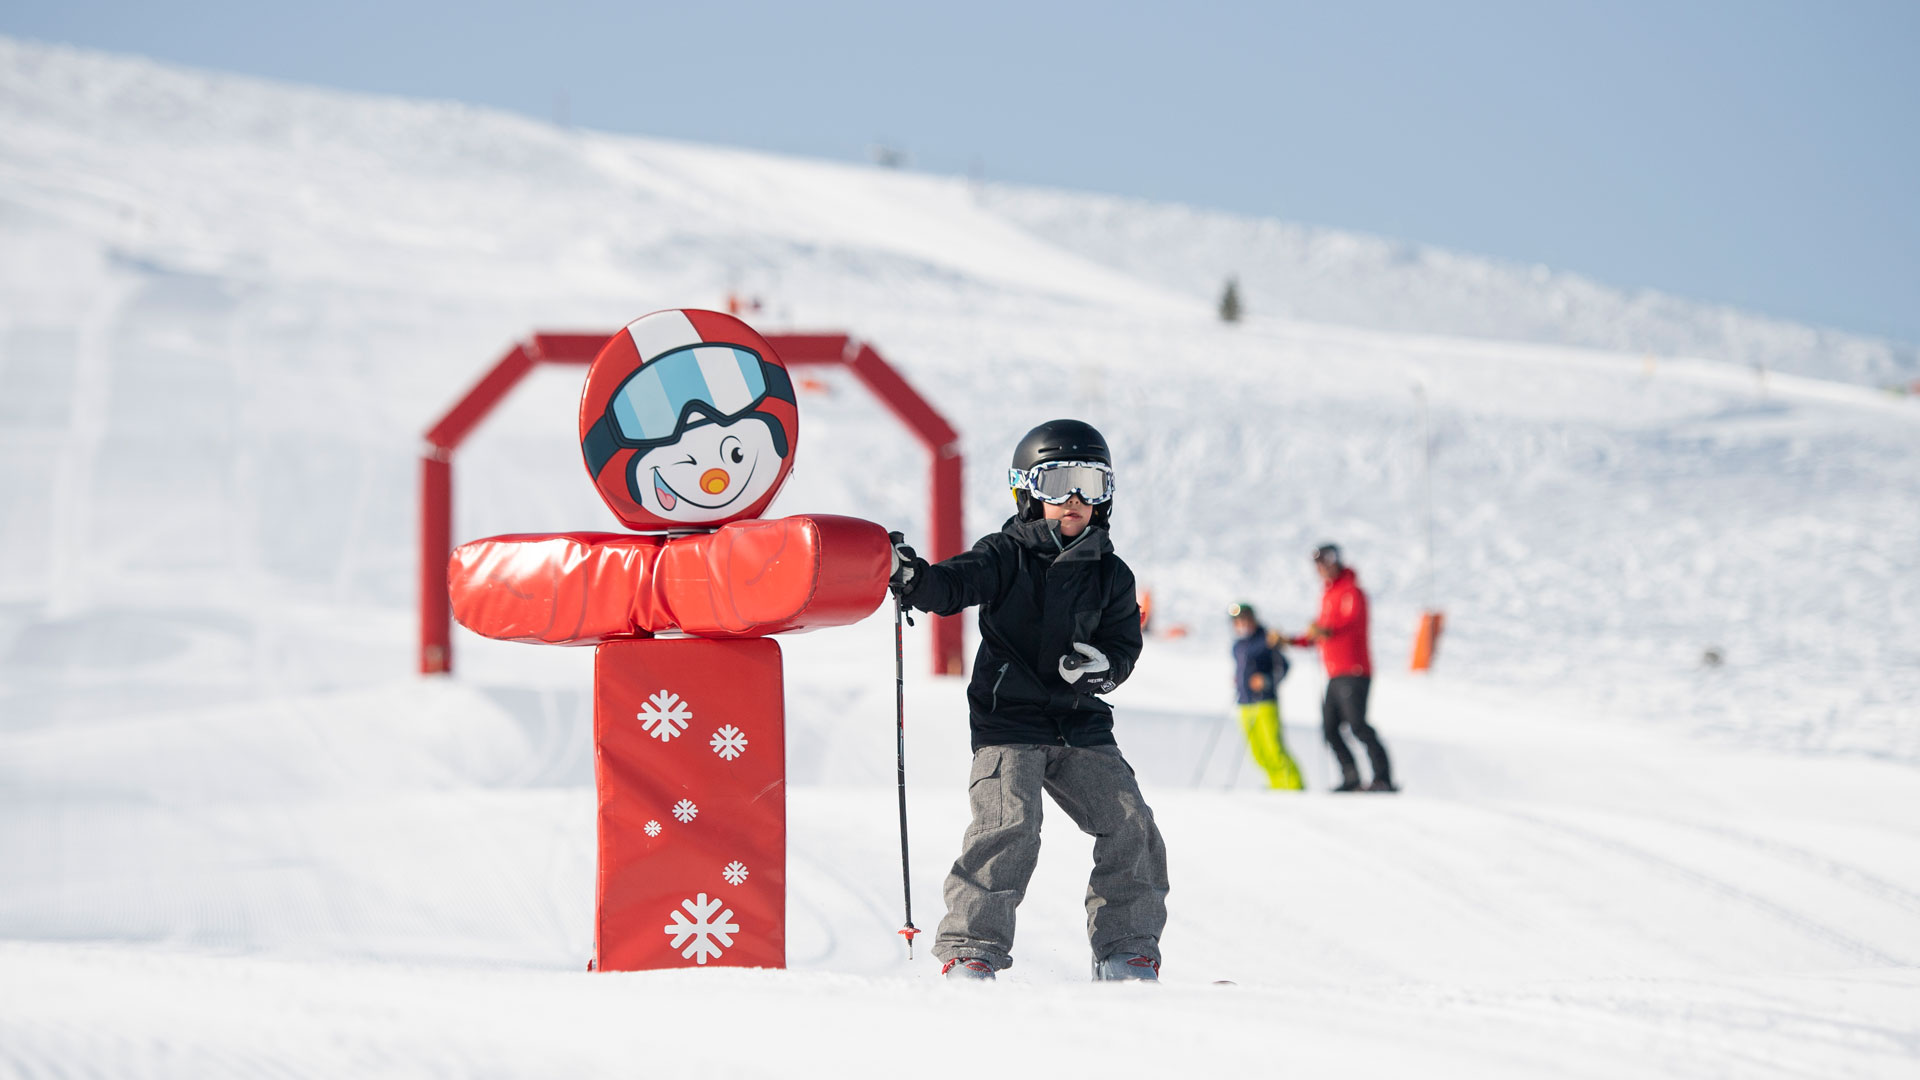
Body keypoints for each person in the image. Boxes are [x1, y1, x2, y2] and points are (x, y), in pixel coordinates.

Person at [888, 419, 1168, 982]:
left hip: (1081, 724)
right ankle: (972, 949)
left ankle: (1125, 950)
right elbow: (955, 584)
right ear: (1028, 490)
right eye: (1060, 480)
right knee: (1010, 824)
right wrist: (914, 579)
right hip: (1009, 721)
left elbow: (1122, 647)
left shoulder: (1112, 575)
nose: (1075, 499)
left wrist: (1103, 670)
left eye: (1091, 483)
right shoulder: (1005, 555)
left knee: (1131, 824)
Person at [1288, 544, 1395, 793]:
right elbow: (1317, 635)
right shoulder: (1327, 595)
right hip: (1334, 672)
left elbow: (1350, 622)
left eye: (1325, 562)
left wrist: (1325, 630)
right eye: (1318, 565)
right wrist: (1290, 640)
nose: (1322, 569)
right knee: (1330, 728)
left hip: (1354, 670)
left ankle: (1383, 778)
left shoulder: (1351, 591)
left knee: (1357, 725)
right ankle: (1352, 778)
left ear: (1336, 561)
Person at [1228, 603, 1304, 790]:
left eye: (1244, 619)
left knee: (1274, 749)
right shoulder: (1238, 645)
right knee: (1258, 753)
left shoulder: (1266, 639)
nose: (1241, 624)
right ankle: (1276, 785)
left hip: (1265, 702)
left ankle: (1294, 787)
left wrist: (1268, 680)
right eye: (1237, 620)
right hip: (1245, 703)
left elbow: (1283, 666)